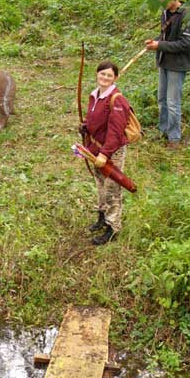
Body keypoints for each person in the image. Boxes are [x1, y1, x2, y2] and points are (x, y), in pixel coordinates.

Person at [80, 60, 131, 246]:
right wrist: (85, 126)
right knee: (100, 185)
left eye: (109, 75)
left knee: (112, 189)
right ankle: (102, 217)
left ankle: (112, 228)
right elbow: (94, 119)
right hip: (96, 148)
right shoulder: (95, 95)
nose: (105, 77)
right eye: (102, 74)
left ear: (115, 78)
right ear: (97, 74)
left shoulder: (117, 100)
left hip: (111, 152)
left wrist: (105, 153)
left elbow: (116, 132)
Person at [145, 0, 190, 149]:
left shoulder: (188, 15)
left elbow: (185, 44)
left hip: (177, 65)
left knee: (173, 102)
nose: (161, 0)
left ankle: (174, 138)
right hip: (164, 62)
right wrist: (155, 41)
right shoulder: (165, 13)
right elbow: (164, 35)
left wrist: (159, 45)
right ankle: (163, 130)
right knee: (162, 99)